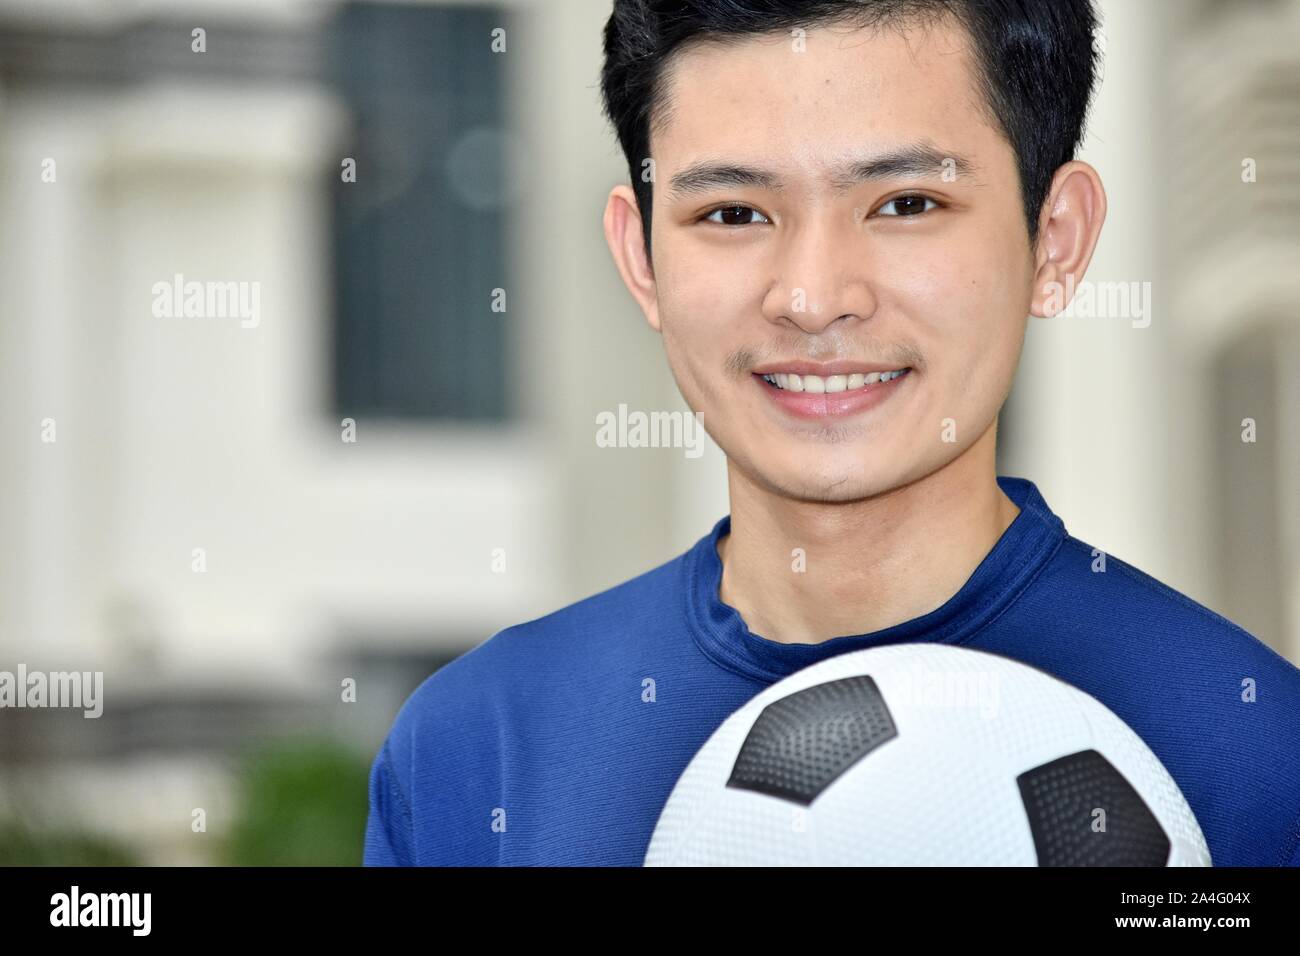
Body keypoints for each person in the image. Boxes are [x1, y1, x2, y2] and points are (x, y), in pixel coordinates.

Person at [365, 0, 1300, 866]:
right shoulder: (478, 751)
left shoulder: (1255, 752)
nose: (813, 298)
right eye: (733, 213)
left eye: (906, 204)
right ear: (641, 257)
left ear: (1055, 239)